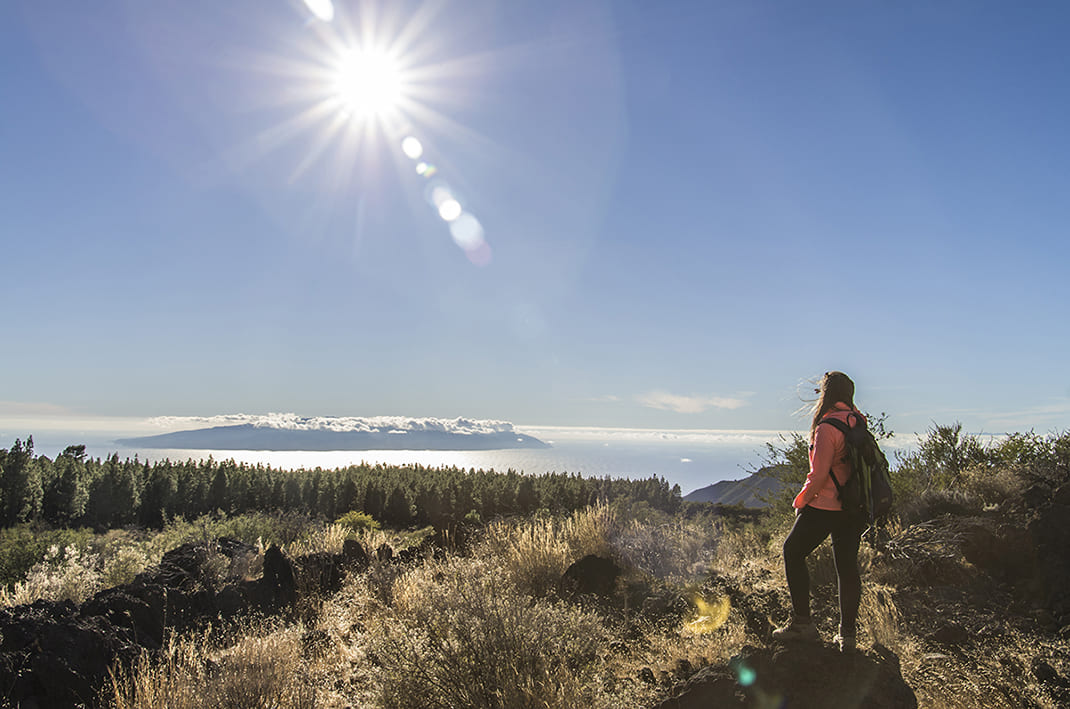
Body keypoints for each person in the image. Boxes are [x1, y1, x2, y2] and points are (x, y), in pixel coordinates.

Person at [772, 371, 864, 653]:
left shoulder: (827, 427)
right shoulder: (857, 421)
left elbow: (819, 474)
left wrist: (800, 501)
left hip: (826, 505)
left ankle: (803, 624)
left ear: (827, 394)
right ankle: (847, 636)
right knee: (847, 567)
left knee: (792, 551)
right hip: (854, 506)